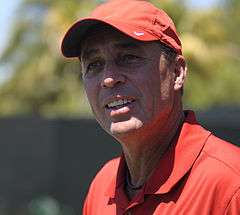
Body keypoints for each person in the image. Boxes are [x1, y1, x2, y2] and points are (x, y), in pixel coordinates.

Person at [61, 0, 240, 214]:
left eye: (129, 57)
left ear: (177, 72)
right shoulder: (102, 186)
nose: (108, 79)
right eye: (94, 64)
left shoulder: (230, 184)